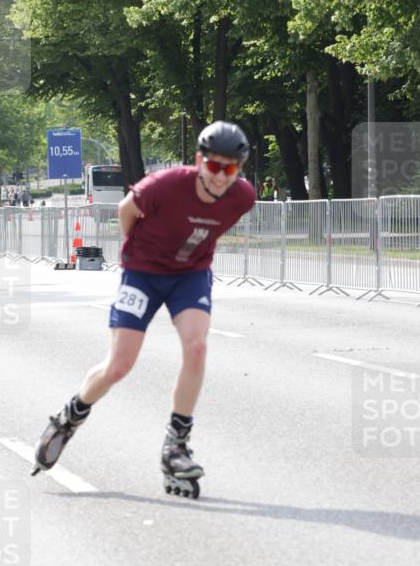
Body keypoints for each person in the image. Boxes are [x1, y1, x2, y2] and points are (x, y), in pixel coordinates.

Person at [32, 121, 256, 498]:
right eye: (214, 167)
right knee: (119, 365)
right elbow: (126, 211)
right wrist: (137, 251)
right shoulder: (165, 184)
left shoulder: (242, 197)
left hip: (190, 275)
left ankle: (176, 444)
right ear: (200, 161)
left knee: (197, 346)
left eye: (230, 169)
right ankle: (70, 416)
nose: (221, 177)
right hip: (143, 273)